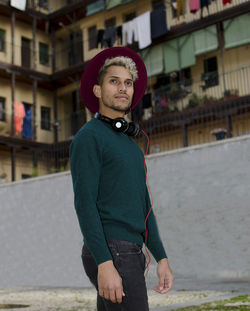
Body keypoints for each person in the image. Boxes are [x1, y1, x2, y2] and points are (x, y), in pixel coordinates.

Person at [69, 47, 174, 311]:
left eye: (128, 83)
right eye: (113, 81)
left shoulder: (131, 146)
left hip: (131, 252)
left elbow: (145, 207)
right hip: (112, 250)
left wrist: (161, 257)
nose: (122, 88)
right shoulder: (89, 137)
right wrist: (104, 262)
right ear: (97, 90)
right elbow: (85, 203)